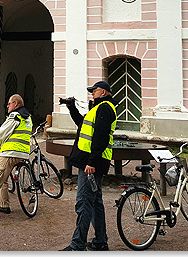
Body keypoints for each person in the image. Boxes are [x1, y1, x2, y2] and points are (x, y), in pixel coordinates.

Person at [60, 81, 117, 251]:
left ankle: (78, 245)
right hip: (90, 162)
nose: (92, 93)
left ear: (105, 92)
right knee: (95, 202)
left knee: (84, 202)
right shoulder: (97, 108)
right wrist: (72, 108)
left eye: (95, 91)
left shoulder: (104, 108)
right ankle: (100, 241)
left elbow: (100, 137)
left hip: (92, 163)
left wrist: (92, 163)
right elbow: (82, 125)